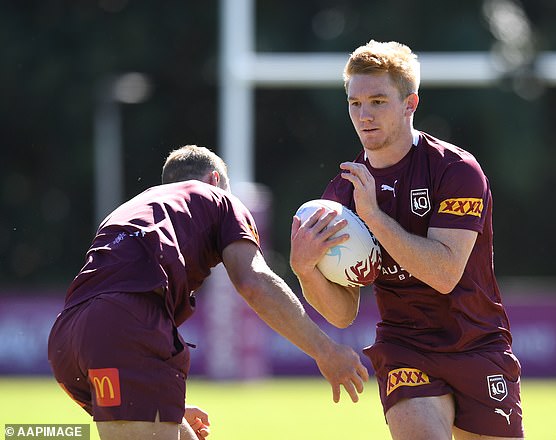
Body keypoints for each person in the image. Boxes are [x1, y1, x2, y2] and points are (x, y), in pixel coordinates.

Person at [49, 145, 369, 440]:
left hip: (68, 339)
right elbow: (252, 281)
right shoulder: (219, 199)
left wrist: (164, 405)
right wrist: (325, 351)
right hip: (123, 327)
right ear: (215, 180)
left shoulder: (133, 207)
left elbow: (112, 302)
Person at [290, 41, 524, 439]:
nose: (364, 115)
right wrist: (304, 269)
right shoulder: (342, 196)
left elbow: (445, 273)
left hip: (476, 342)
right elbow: (343, 313)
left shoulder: (457, 170)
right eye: (354, 103)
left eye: (378, 101)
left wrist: (375, 218)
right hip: (405, 348)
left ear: (409, 103)